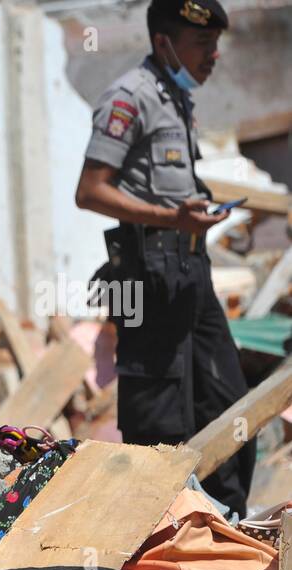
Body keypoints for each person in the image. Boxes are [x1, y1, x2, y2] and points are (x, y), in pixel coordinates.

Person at [75, 0, 253, 514]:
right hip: (146, 276)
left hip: (189, 271)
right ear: (164, 43)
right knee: (160, 420)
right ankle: (154, 536)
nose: (214, 56)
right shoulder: (128, 98)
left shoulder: (177, 98)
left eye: (216, 44)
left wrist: (193, 212)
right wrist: (171, 217)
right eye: (203, 44)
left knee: (225, 401)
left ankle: (228, 530)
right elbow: (89, 192)